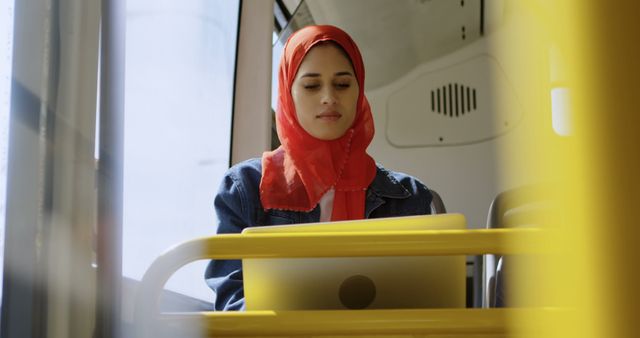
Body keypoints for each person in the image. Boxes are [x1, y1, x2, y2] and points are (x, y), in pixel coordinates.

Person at [205, 25, 436, 311]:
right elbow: (232, 301)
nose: (328, 97)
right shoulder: (245, 188)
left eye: (342, 84)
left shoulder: (410, 196)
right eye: (312, 85)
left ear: (359, 91)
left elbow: (423, 306)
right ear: (288, 95)